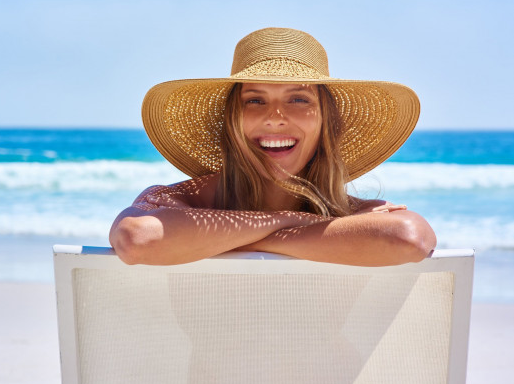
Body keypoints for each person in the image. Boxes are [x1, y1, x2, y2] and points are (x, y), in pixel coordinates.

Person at [110, 27, 436, 266]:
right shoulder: (179, 199)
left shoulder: (358, 213)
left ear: (328, 123)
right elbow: (137, 239)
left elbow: (409, 238)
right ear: (231, 121)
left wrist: (245, 236)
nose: (275, 118)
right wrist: (294, 221)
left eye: (298, 99)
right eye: (255, 100)